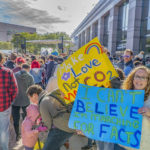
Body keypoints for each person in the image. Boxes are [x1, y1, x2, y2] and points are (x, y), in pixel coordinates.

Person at [26, 84, 75, 150]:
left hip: (61, 128)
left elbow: (47, 125)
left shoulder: (43, 103)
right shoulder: (50, 95)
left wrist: (38, 128)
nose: (31, 101)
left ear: (35, 95)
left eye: (30, 98)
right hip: (70, 124)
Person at [122, 66, 150, 150]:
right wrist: (88, 129)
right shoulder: (122, 96)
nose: (140, 79)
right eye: (137, 76)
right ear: (132, 78)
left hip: (144, 146)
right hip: (124, 144)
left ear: (148, 81)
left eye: (143, 77)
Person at [0, 52, 18, 150]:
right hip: (4, 105)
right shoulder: (8, 72)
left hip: (5, 104)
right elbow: (14, 90)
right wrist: (9, 101)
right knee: (3, 130)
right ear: (2, 60)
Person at [12, 64, 34, 141]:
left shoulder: (14, 75)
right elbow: (32, 90)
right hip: (26, 100)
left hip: (15, 100)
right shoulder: (30, 77)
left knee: (16, 119)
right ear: (28, 68)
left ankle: (17, 135)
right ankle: (26, 133)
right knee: (26, 118)